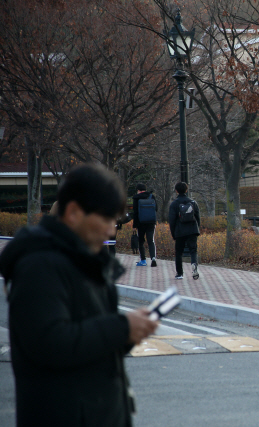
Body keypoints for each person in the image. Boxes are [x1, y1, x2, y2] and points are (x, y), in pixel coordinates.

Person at [0, 163, 159, 427]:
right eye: (107, 219)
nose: (111, 230)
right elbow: (50, 343)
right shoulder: (40, 265)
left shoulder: (85, 259)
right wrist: (121, 328)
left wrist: (130, 333)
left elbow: (92, 334)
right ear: (74, 212)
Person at [168, 182, 201, 280]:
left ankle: (180, 274)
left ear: (176, 191)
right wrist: (197, 229)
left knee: (178, 252)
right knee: (193, 250)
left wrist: (173, 233)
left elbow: (172, 220)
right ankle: (194, 265)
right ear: (186, 190)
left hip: (180, 230)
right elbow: (198, 217)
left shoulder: (174, 204)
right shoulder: (193, 202)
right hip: (192, 230)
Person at [132, 183, 158, 267]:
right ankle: (153, 258)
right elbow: (156, 209)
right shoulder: (151, 196)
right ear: (145, 189)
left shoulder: (136, 198)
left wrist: (134, 226)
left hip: (140, 223)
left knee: (141, 241)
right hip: (151, 222)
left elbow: (135, 213)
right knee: (151, 240)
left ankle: (143, 260)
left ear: (138, 190)